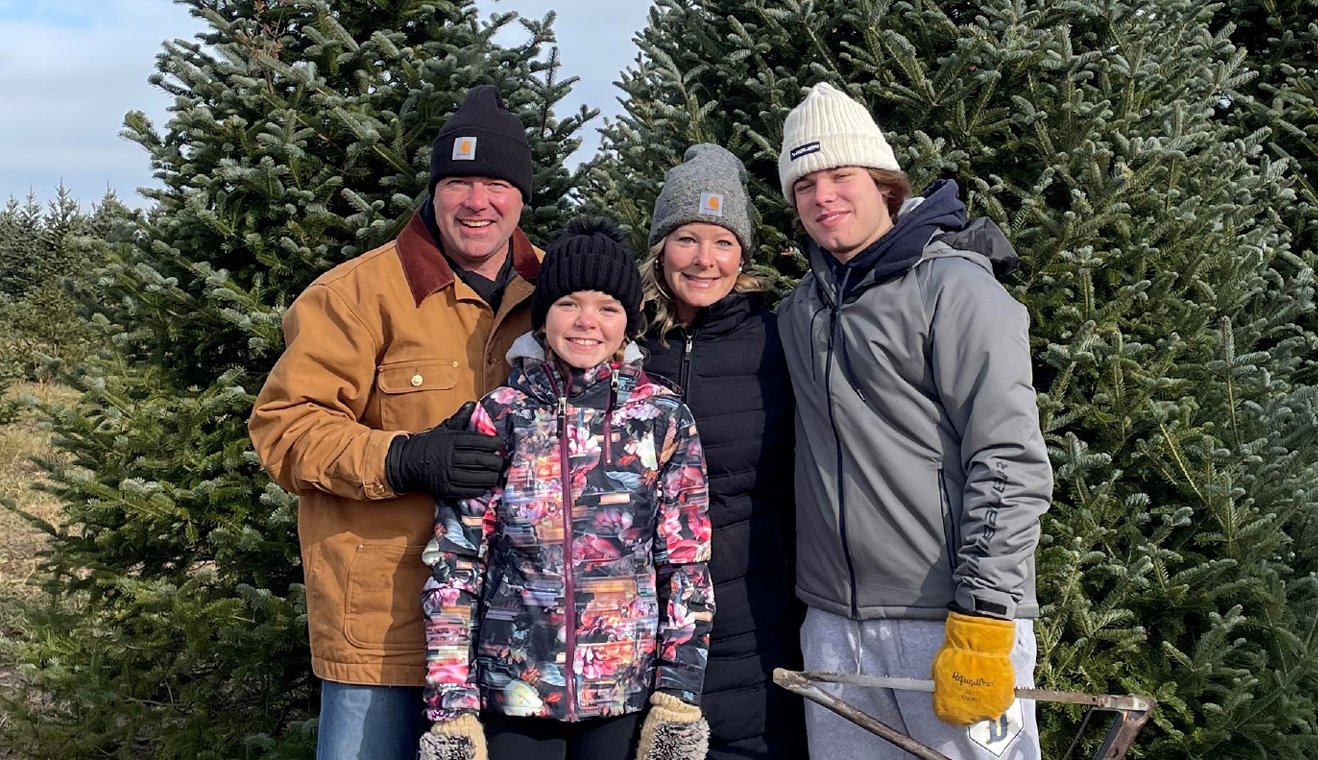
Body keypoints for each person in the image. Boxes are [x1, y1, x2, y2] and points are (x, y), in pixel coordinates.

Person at [249, 84, 543, 760]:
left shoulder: (560, 295)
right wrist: (402, 459)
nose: (478, 202)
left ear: (522, 194)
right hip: (385, 627)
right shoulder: (354, 295)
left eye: (496, 182)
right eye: (459, 182)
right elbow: (284, 427)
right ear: (434, 191)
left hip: (520, 622)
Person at [774, 82, 1052, 760]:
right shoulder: (799, 311)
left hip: (949, 622)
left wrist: (984, 617)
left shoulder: (955, 291)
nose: (823, 197)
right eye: (805, 183)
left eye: (842, 175)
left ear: (884, 185)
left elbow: (1009, 459)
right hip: (835, 627)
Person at [417, 220, 716, 760]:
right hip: (511, 694)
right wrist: (450, 708)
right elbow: (456, 566)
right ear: (544, 315)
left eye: (606, 307)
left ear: (627, 322)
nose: (586, 322)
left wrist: (677, 700)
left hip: (625, 694)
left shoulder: (662, 417)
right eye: (569, 304)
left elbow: (686, 567)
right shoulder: (500, 416)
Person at [639, 144, 808, 759]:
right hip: (638, 608)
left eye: (723, 242)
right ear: (661, 247)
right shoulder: (622, 340)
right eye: (687, 239)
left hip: (755, 605)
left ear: (743, 256)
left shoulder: (777, 338)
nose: (704, 260)